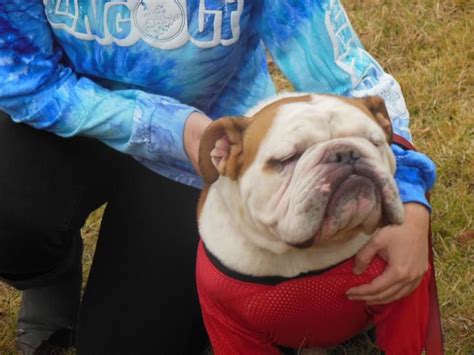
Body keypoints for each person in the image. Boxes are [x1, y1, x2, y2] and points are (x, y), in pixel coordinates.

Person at [0, 1, 436, 354]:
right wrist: (163, 124)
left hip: (205, 150)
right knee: (10, 211)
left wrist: (410, 194)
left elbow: (353, 77)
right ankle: (48, 282)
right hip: (76, 122)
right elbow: (20, 77)